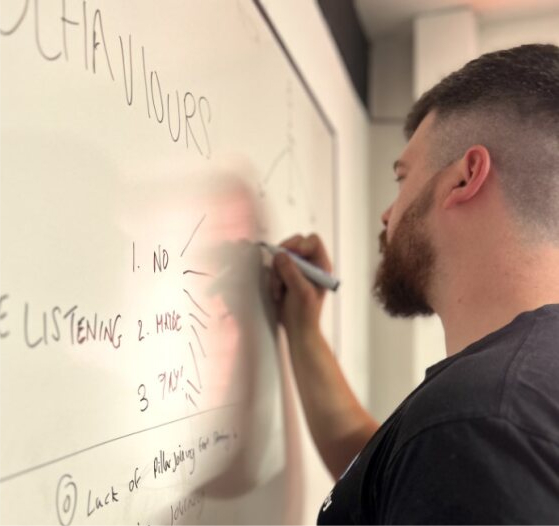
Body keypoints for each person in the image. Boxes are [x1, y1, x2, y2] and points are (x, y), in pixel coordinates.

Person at [270, 43, 559, 524]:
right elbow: (392, 475)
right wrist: (304, 332)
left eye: (402, 179)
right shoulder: (501, 410)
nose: (388, 212)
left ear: (465, 178)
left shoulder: (482, 421)